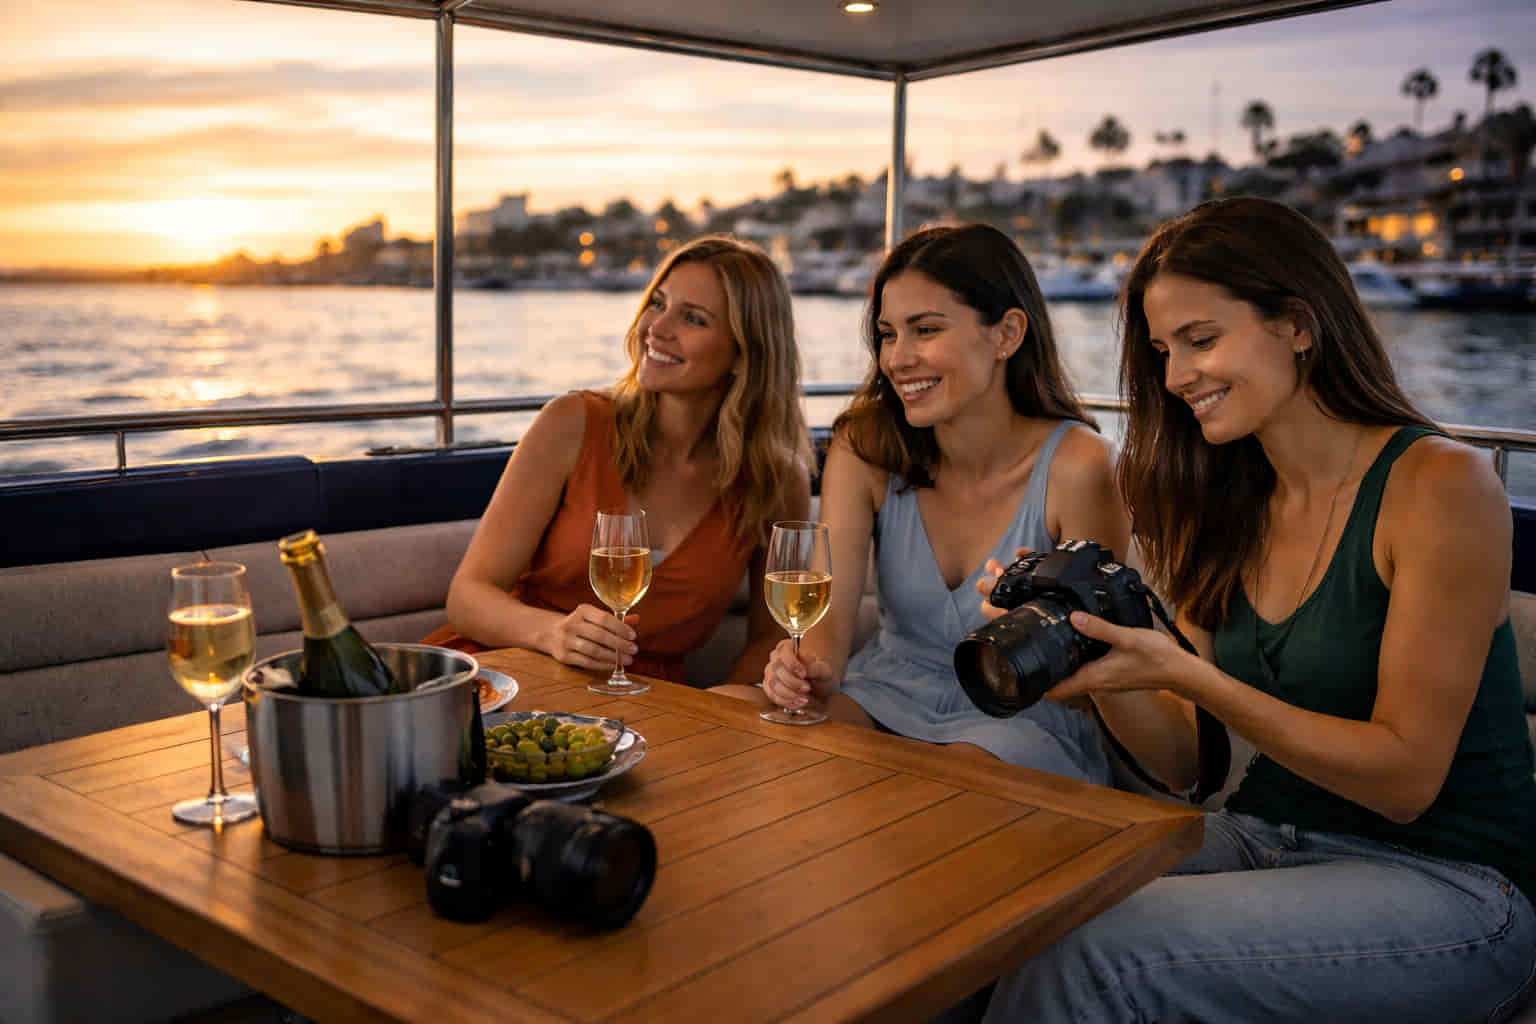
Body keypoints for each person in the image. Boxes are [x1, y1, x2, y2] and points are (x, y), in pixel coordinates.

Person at [974, 197, 1536, 1022]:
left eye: (1202, 340)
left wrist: (1193, 679)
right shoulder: (1234, 498)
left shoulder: (1440, 486)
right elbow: (1180, 763)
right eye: (1164, 351)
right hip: (1268, 838)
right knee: (1000, 908)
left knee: (1094, 955)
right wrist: (1094, 659)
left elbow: (1405, 780)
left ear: (1298, 324)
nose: (1173, 378)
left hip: (1451, 885)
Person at [715, 223, 1126, 783]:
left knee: (943, 780)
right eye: (887, 334)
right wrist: (804, 672)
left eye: (925, 330)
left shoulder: (1079, 467)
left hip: (1020, 717)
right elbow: (828, 629)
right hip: (883, 695)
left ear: (1007, 334)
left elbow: (1100, 667)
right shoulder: (864, 448)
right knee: (726, 711)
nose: (897, 358)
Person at [432, 235, 812, 687]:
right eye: (658, 303)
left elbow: (771, 642)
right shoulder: (573, 423)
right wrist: (553, 633)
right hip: (510, 668)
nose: (657, 328)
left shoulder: (777, 480)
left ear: (744, 353)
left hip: (653, 706)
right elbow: (468, 596)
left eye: (692, 318)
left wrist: (724, 716)